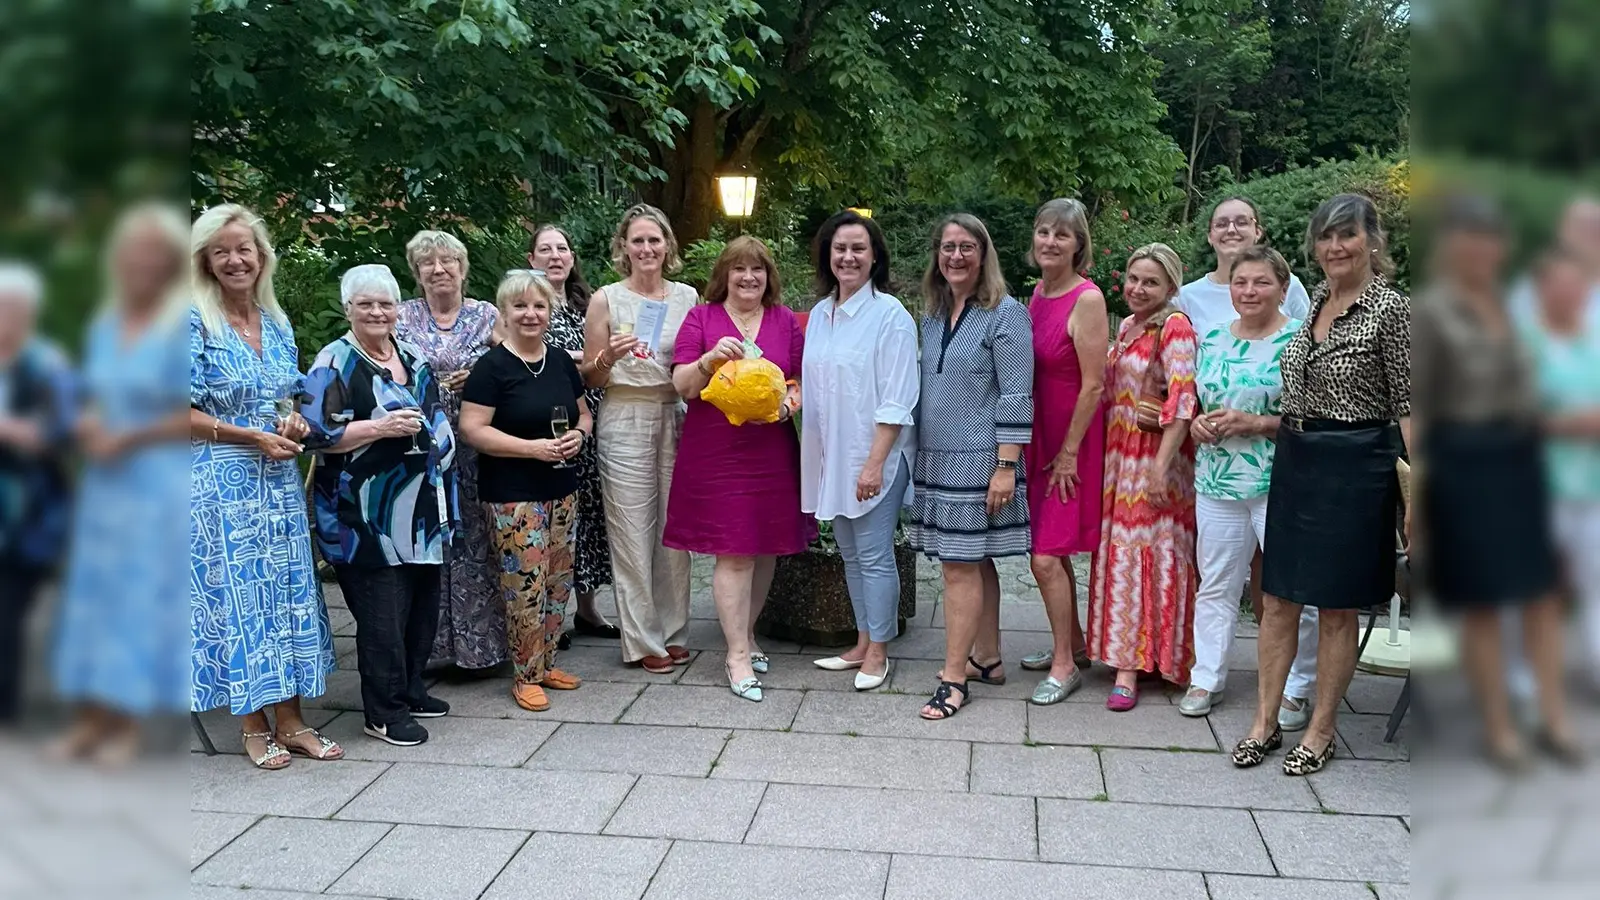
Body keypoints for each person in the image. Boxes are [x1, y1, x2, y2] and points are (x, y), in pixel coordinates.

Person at [1232, 193, 1410, 776]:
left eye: (1347, 235)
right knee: (1278, 597)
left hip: (1358, 464)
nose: (1335, 247)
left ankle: (1322, 729)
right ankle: (1264, 721)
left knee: (1335, 606)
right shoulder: (1315, 306)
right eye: (1326, 237)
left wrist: (1424, 496)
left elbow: (1411, 408)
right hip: (1299, 455)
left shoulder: (1392, 310)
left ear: (1372, 241)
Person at [1413, 196, 1578, 768]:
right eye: (1470, 238)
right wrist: (1422, 500)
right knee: (1483, 604)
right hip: (1464, 465)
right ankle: (1500, 728)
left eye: (1491, 238)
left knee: (1542, 597)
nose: (1482, 249)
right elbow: (1422, 410)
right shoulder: (1432, 312)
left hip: (1521, 461)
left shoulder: (1513, 306)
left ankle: (1555, 721)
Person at [189, 204, 341, 768]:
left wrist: (293, 421)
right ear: (205, 259)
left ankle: (293, 720)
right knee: (240, 598)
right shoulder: (191, 320)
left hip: (275, 480)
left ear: (261, 257)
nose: (235, 259)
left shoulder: (275, 321)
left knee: (286, 595)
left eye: (244, 248)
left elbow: (288, 401)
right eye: (222, 250)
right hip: (218, 483)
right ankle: (253, 726)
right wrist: (248, 435)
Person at [49, 205, 189, 762]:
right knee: (91, 601)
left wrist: (127, 437)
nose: (142, 264)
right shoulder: (106, 325)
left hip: (158, 477)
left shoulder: (183, 323)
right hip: (107, 481)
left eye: (154, 254)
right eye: (133, 253)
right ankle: (88, 721)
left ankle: (128, 726)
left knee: (137, 604)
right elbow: (93, 396)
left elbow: (193, 411)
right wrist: (86, 420)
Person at [301, 264, 459, 746]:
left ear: (397, 308)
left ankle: (410, 689)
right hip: (362, 515)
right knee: (381, 616)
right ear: (348, 308)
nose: (376, 312)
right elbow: (312, 434)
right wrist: (379, 429)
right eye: (365, 303)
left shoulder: (411, 355)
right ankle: (382, 711)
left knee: (420, 609)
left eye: (385, 303)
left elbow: (434, 419)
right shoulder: (333, 362)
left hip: (421, 512)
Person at [1178, 195, 1316, 729]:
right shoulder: (1210, 339)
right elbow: (1192, 402)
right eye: (1241, 284)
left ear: (1283, 288)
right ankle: (1207, 675)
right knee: (1215, 582)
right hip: (1216, 480)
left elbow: (1315, 419)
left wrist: (1256, 423)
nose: (1249, 291)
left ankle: (1296, 687)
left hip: (1278, 482)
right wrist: (1195, 424)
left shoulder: (1300, 342)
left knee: (1284, 588)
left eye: (1261, 283)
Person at [665, 237, 810, 702]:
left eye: (758, 269)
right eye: (739, 269)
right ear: (723, 276)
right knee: (735, 551)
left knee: (764, 547)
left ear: (769, 276)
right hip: (717, 451)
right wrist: (708, 360)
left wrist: (789, 404)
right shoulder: (702, 318)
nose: (749, 277)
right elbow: (682, 385)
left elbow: (801, 380)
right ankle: (736, 656)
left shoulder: (785, 320)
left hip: (771, 450)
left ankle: (746, 635)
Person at [909, 214, 1033, 720]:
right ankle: (988, 657)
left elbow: (1017, 394)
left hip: (979, 460)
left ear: (984, 255)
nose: (955, 256)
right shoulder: (933, 316)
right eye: (947, 247)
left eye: (966, 247)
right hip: (936, 459)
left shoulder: (1006, 314)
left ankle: (954, 679)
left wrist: (1005, 466)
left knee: (959, 567)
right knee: (972, 561)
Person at [462, 271, 593, 712]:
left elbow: (583, 414)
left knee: (557, 580)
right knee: (525, 585)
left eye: (538, 306)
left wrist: (579, 435)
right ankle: (525, 674)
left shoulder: (558, 361)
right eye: (520, 306)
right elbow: (472, 429)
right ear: (505, 313)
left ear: (549, 312)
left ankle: (548, 661)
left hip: (561, 485)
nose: (530, 314)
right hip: (513, 491)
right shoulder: (492, 366)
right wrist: (530, 449)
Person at [801, 210, 919, 686]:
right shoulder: (820, 315)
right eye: (840, 249)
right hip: (835, 452)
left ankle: (880, 651)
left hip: (875, 456)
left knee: (873, 555)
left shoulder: (890, 316)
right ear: (828, 256)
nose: (848, 257)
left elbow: (898, 398)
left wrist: (874, 464)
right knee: (850, 553)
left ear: (874, 258)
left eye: (858, 249)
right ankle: (862, 641)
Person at [579, 205, 696, 674]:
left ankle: (673, 630)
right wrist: (608, 355)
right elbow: (589, 374)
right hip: (624, 412)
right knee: (631, 528)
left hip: (675, 412)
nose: (646, 249)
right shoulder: (606, 299)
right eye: (637, 241)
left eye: (654, 240)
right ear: (623, 248)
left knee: (675, 529)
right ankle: (643, 638)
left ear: (668, 245)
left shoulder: (687, 296)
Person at [1086, 243, 1199, 711]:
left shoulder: (1174, 327)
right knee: (1121, 555)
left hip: (1154, 461)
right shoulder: (1128, 326)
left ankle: (1133, 667)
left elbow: (1184, 399)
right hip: (1118, 460)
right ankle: (1127, 654)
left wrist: (1159, 467)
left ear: (1171, 286)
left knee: (1144, 556)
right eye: (1133, 279)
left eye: (1150, 281)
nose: (1138, 288)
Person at [395, 231, 503, 674]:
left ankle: (483, 649)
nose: (439, 269)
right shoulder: (401, 315)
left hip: (475, 442)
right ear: (416, 272)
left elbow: (514, 358)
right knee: (428, 539)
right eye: (428, 263)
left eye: (447, 261)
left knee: (476, 538)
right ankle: (430, 649)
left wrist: (479, 373)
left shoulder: (485, 314)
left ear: (463, 267)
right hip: (418, 446)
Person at [1017, 198, 1106, 704]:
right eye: (1044, 231)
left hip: (1072, 438)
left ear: (1078, 245)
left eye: (1062, 235)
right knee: (1050, 549)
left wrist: (1070, 452)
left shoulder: (1086, 299)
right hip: (1040, 434)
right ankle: (1071, 640)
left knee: (1046, 556)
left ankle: (1066, 665)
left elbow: (1094, 384)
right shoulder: (1039, 292)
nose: (1050, 242)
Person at [528, 225, 618, 643]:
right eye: (544, 249)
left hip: (595, 415)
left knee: (592, 516)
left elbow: (605, 357)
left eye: (562, 248)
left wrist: (586, 358)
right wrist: (582, 357)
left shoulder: (589, 302)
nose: (555, 256)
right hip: (551, 421)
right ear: (531, 260)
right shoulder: (528, 304)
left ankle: (587, 609)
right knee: (557, 519)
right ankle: (552, 616)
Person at [0, 263, 75, 727]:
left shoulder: (46, 365)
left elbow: (61, 433)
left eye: (14, 309)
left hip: (26, 511)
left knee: (8, 608)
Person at [1525, 247, 1600, 701]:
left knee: (1594, 584)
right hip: (1537, 487)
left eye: (1577, 284)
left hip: (1591, 487)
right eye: (1558, 283)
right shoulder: (1525, 345)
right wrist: (1570, 423)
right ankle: (1530, 684)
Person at [1178, 196, 1312, 337]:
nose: (1231, 230)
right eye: (1221, 224)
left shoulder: (1286, 284)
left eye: (1242, 222)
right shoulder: (1186, 297)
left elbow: (1311, 339)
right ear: (1210, 236)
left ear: (1257, 232)